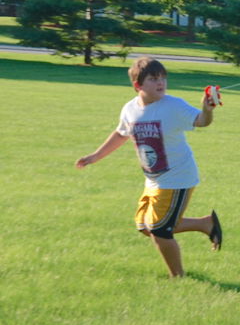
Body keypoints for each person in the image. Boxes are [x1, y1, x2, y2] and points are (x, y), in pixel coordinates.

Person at [75, 56, 222, 278]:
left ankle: (178, 277)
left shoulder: (173, 105)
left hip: (177, 177)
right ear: (138, 85)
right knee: (144, 225)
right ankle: (205, 224)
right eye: (153, 78)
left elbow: (201, 121)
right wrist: (96, 155)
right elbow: (121, 133)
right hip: (153, 179)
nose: (160, 82)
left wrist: (207, 109)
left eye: (163, 77)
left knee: (159, 230)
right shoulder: (129, 109)